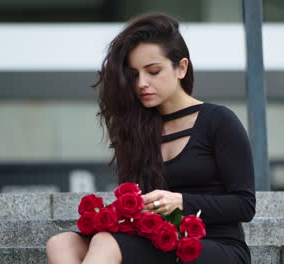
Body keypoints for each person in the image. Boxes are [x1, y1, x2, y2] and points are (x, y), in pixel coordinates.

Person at [46, 13, 256, 264]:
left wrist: (181, 202)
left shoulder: (218, 121)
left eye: (153, 71)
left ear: (181, 68)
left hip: (215, 245)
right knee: (61, 243)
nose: (142, 83)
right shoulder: (136, 130)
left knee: (105, 242)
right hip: (156, 242)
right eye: (134, 74)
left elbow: (244, 205)